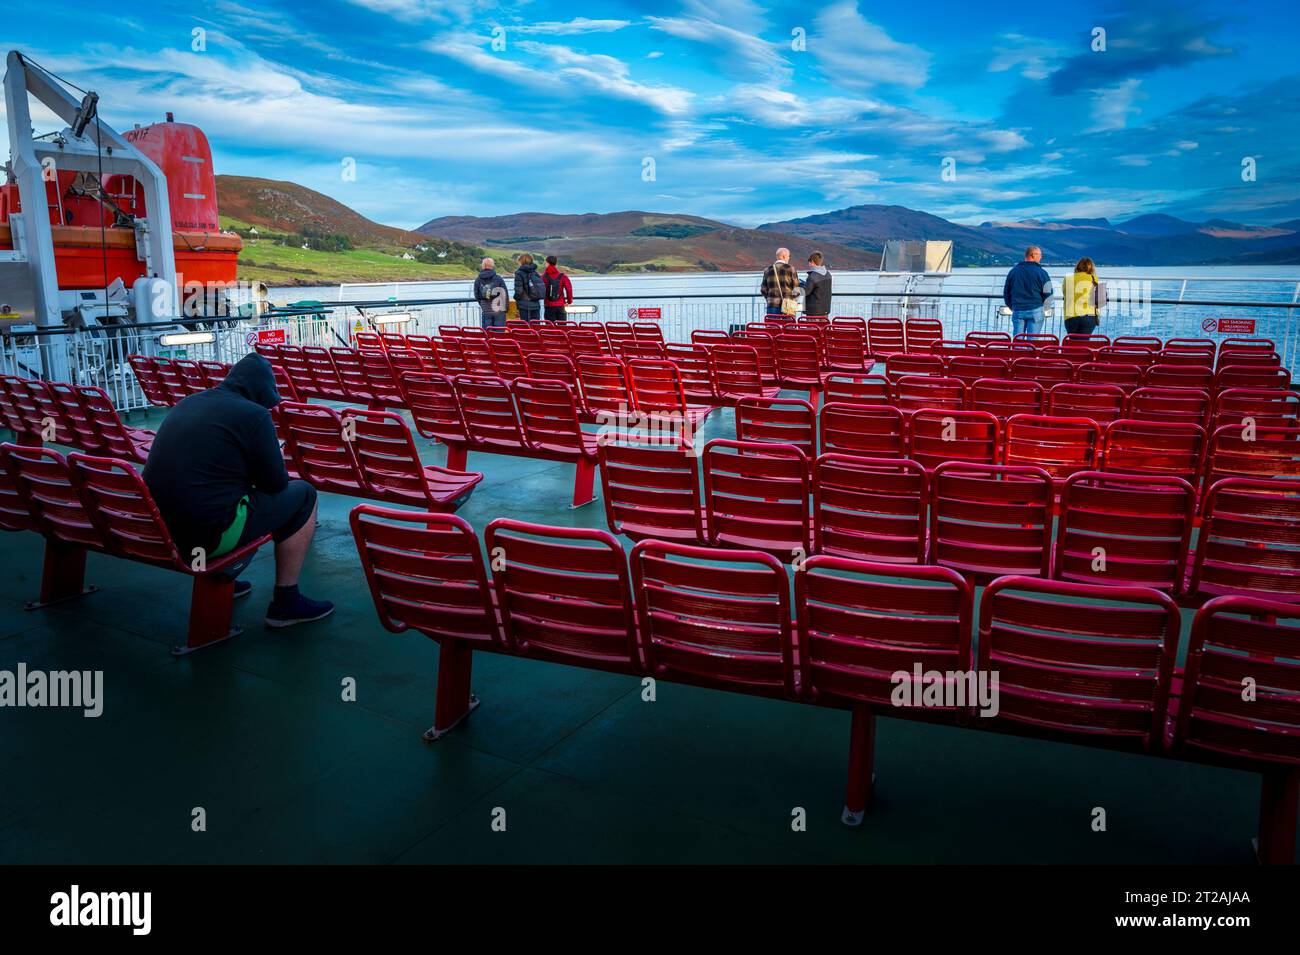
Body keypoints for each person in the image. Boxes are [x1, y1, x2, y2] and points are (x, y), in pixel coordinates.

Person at [142, 353, 334, 628]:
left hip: (161, 530)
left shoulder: (189, 402)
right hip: (207, 537)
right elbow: (276, 484)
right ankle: (286, 601)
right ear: (261, 392)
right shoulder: (254, 415)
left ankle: (224, 575)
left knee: (217, 496)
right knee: (304, 494)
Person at [1002, 245, 1053, 337]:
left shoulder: (1013, 271)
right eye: (1040, 255)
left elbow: (1006, 292)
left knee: (1018, 342)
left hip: (1018, 310)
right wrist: (1044, 309)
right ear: (1033, 255)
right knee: (1032, 343)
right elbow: (1048, 293)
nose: (1041, 257)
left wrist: (1013, 306)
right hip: (1036, 310)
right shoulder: (1042, 273)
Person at [1062, 257, 1100, 336]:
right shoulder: (1094, 279)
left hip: (1071, 315)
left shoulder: (1068, 278)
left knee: (1073, 342)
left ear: (1077, 266)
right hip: (1089, 315)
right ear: (1091, 268)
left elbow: (1064, 292)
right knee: (1083, 344)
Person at [761, 247, 801, 317]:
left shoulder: (767, 270)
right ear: (784, 256)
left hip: (772, 305)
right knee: (788, 327)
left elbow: (763, 289)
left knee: (773, 327)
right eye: (788, 256)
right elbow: (796, 289)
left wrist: (770, 298)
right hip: (788, 306)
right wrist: (792, 299)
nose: (789, 258)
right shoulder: (790, 269)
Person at [472, 257, 508, 328]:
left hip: (486, 311)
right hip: (499, 311)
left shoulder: (478, 280)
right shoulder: (498, 278)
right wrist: (505, 309)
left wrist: (483, 305)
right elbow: (504, 294)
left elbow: (477, 295)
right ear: (492, 266)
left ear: (483, 266)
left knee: (488, 335)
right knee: (499, 335)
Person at [513, 253, 545, 324]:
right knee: (536, 327)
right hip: (536, 304)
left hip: (524, 305)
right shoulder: (535, 272)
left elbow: (519, 291)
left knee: (525, 328)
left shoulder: (519, 273)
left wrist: (515, 298)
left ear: (521, 261)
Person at [542, 255, 574, 323]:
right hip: (560, 305)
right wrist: (569, 301)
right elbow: (569, 290)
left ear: (547, 263)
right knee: (562, 328)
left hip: (548, 305)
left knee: (549, 328)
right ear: (556, 264)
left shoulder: (544, 277)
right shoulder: (563, 276)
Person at [801, 251, 832, 317]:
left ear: (812, 262)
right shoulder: (828, 274)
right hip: (825, 310)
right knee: (823, 327)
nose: (808, 265)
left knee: (812, 327)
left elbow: (805, 292)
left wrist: (797, 287)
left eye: (809, 262)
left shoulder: (813, 276)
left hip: (813, 311)